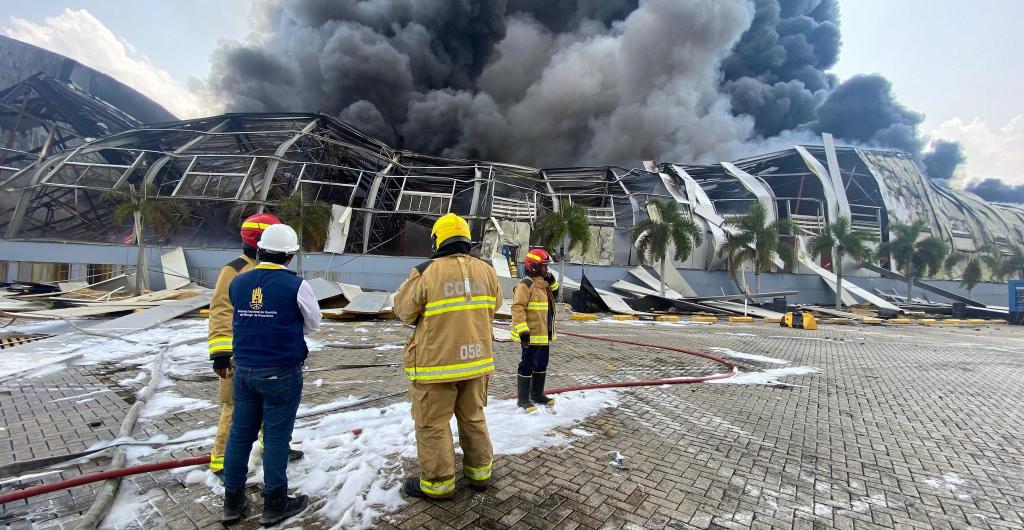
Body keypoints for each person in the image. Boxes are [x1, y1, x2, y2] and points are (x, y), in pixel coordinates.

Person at [394, 213, 502, 500]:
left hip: (436, 366)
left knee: (433, 424)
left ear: (437, 240)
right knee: (473, 418)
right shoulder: (488, 271)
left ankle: (438, 484)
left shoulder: (426, 271)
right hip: (477, 362)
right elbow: (496, 305)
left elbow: (404, 311)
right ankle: (480, 474)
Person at [221, 223, 322, 526]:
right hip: (281, 373)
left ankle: (232, 501)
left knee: (240, 435)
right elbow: (313, 323)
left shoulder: (238, 283)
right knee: (277, 438)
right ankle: (275, 503)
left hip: (245, 372)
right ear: (290, 256)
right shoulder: (296, 285)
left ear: (260, 249)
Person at [209, 213, 306, 474]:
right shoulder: (235, 270)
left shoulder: (271, 270)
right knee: (235, 409)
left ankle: (273, 448)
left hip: (271, 356)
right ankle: (221, 463)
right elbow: (220, 311)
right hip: (240, 356)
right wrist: (220, 353)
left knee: (273, 410)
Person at [510, 248, 559, 412]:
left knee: (542, 364)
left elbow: (556, 292)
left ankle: (537, 394)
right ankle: (523, 400)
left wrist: (551, 278)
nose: (547, 270)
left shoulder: (543, 285)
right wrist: (523, 331)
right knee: (527, 364)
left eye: (547, 266)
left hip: (543, 334)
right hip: (530, 335)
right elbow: (518, 308)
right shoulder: (526, 285)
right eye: (544, 266)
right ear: (533, 267)